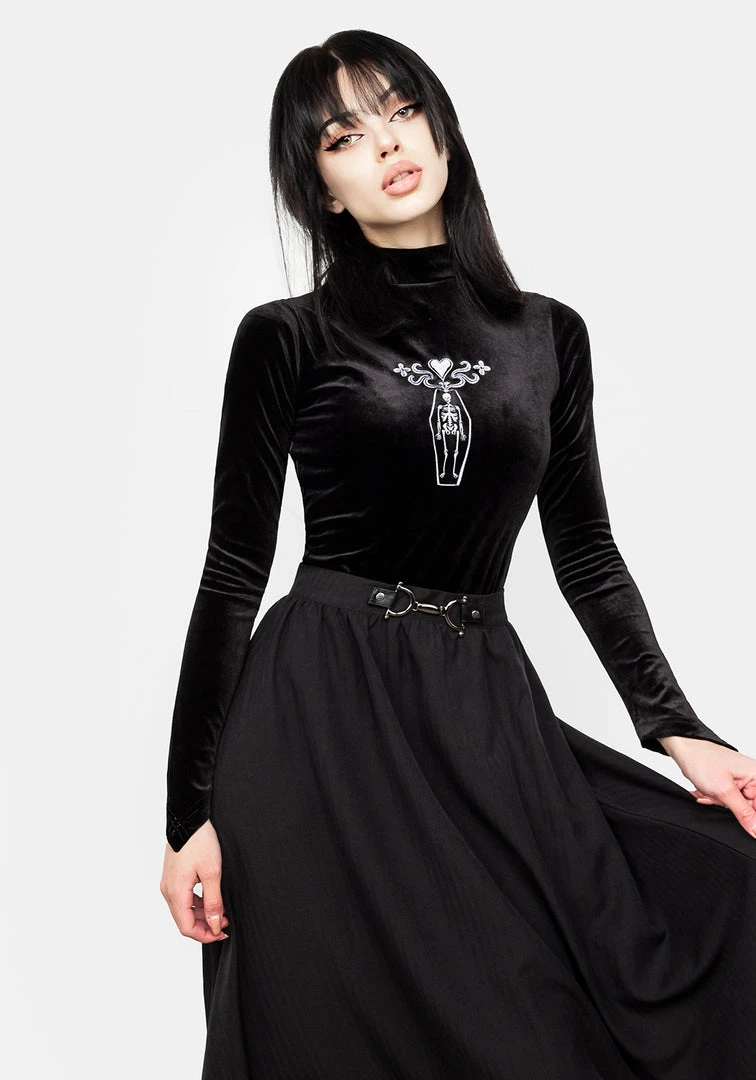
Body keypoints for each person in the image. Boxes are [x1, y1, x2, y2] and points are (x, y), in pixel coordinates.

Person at [159, 28, 756, 1080]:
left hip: (484, 711)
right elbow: (230, 576)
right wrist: (187, 819)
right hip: (317, 719)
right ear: (323, 190)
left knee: (676, 918)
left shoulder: (549, 337)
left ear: (441, 128)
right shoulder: (286, 336)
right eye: (345, 136)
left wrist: (678, 728)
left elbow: (587, 551)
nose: (389, 143)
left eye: (402, 111)